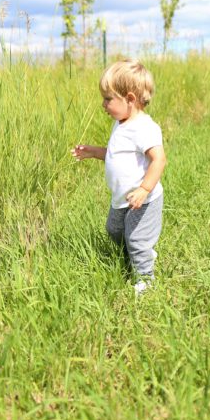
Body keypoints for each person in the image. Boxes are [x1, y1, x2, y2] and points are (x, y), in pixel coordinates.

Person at [72, 59, 166, 295]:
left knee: (136, 238)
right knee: (114, 230)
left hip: (142, 200)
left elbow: (159, 159)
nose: (103, 104)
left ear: (130, 99)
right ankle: (132, 259)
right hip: (121, 198)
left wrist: (145, 189)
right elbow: (117, 156)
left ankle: (146, 280)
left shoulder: (144, 127)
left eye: (108, 98)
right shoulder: (121, 123)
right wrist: (95, 152)